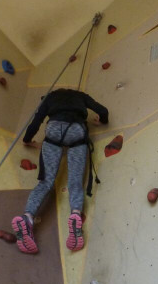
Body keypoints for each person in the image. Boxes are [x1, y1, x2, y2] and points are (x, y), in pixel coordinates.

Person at [11, 88, 108, 254]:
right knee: (75, 182)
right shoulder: (81, 96)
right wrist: (102, 120)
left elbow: (37, 121)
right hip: (76, 131)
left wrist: (27, 140)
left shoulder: (49, 97)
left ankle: (27, 218)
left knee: (45, 182)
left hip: (54, 130)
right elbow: (103, 110)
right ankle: (75, 215)